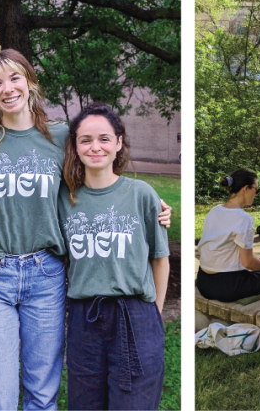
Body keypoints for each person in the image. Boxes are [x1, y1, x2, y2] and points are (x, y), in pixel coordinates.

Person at [0, 49, 170, 411]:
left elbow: (92, 181)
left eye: (15, 78)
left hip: (45, 273)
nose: (8, 88)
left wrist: (151, 208)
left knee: (43, 392)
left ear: (30, 82)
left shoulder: (59, 138)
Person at [60, 104, 169, 411]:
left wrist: (155, 315)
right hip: (85, 319)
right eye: (86, 140)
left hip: (135, 316)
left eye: (104, 138)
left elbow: (160, 258)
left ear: (119, 142)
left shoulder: (141, 194)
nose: (95, 147)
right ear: (75, 146)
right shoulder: (64, 199)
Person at [196, 168, 260, 303]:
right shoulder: (243, 218)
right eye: (256, 190)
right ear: (245, 189)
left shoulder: (214, 211)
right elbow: (248, 263)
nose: (256, 194)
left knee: (258, 269)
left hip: (204, 281)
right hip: (227, 286)